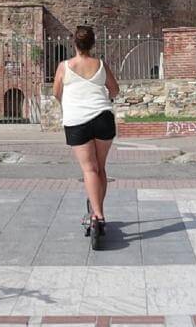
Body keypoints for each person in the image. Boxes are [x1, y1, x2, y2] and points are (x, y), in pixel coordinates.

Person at [53, 26, 120, 240]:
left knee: (89, 170)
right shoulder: (101, 65)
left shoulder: (64, 67)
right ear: (93, 44)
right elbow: (115, 90)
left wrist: (71, 102)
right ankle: (99, 213)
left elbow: (56, 93)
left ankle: (96, 214)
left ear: (74, 43)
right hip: (103, 118)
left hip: (76, 121)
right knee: (100, 168)